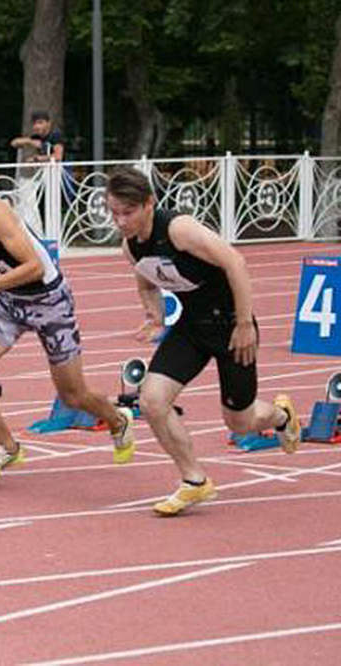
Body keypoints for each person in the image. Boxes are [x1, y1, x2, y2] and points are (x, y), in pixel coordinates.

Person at [0, 163, 136, 481]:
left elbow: (34, 267)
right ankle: (8, 447)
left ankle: (117, 420)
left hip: (49, 302)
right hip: (8, 302)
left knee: (73, 395)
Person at [106, 167, 300, 516]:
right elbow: (145, 279)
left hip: (231, 327)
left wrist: (244, 323)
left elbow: (236, 262)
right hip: (191, 326)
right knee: (151, 401)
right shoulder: (130, 247)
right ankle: (194, 480)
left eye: (128, 212)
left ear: (149, 203)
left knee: (239, 422)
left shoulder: (178, 229)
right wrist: (153, 314)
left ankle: (281, 416)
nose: (120, 221)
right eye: (114, 213)